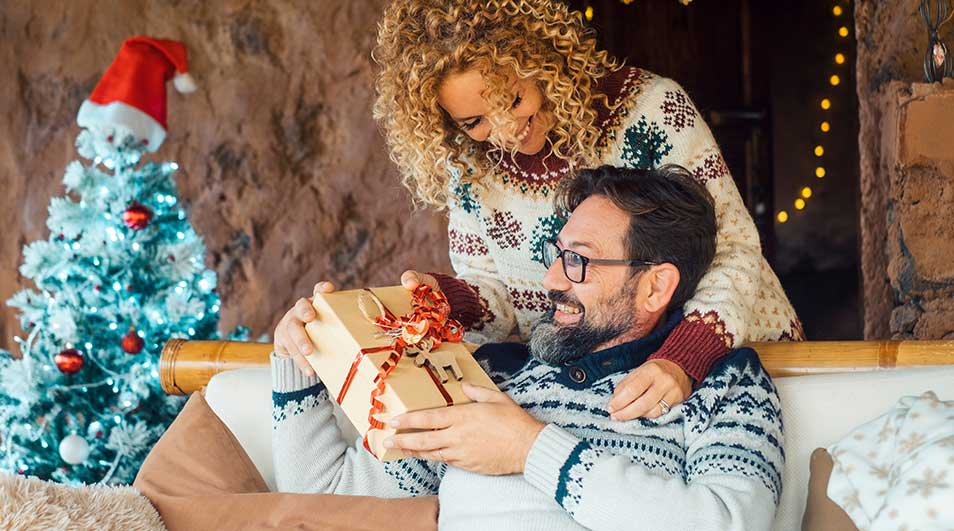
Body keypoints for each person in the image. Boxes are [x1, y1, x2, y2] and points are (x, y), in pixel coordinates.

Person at [273, 0, 802, 421]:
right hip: (598, 383)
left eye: (512, 101)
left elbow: (733, 251)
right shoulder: (471, 167)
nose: (502, 132)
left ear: (540, 61)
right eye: (474, 121)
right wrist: (443, 299)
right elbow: (501, 299)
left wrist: (683, 359)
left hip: (731, 356)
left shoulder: (651, 108)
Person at [271, 165, 784, 530]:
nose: (551, 277)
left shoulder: (725, 383)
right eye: (554, 254)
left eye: (578, 261)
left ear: (655, 286)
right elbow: (326, 500)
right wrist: (299, 362)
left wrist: (529, 449)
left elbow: (730, 522)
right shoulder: (490, 374)